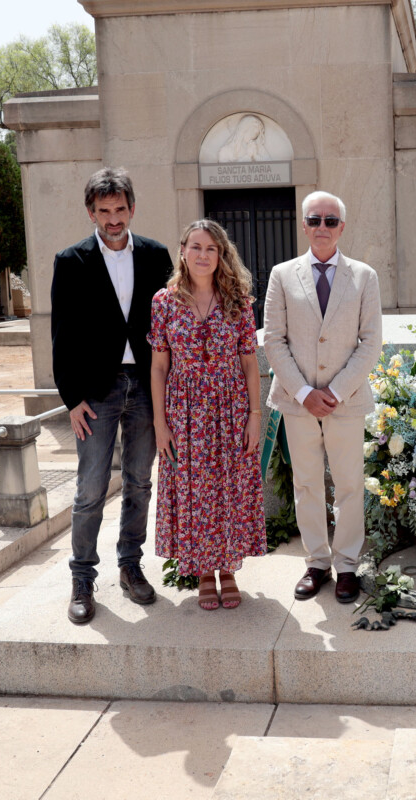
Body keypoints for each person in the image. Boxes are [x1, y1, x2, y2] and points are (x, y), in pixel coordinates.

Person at [51, 167, 173, 624]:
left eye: (120, 209)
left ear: (132, 209)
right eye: (103, 211)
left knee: (140, 481)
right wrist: (71, 398)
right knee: (90, 489)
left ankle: (130, 565)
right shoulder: (71, 261)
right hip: (96, 393)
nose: (113, 218)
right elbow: (61, 335)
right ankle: (82, 578)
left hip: (145, 386)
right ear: (91, 213)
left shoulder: (157, 255)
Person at [263, 191, 382, 603]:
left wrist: (331, 392)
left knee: (349, 484)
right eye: (315, 220)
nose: (322, 228)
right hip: (297, 404)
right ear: (304, 225)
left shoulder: (365, 277)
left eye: (331, 221)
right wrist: (303, 392)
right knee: (307, 483)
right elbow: (274, 341)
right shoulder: (282, 275)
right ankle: (316, 563)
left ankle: (347, 565)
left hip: (345, 402)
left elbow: (370, 343)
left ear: (342, 228)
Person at [149, 220, 267, 610]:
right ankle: (202, 570)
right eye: (196, 247)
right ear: (182, 250)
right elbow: (159, 368)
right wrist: (160, 424)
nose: (203, 255)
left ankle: (228, 569)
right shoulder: (163, 302)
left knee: (228, 487)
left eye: (211, 249)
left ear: (221, 255)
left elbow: (250, 363)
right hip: (183, 411)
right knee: (195, 489)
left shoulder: (239, 300)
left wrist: (254, 415)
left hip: (230, 407)